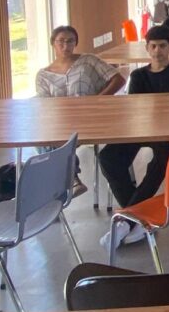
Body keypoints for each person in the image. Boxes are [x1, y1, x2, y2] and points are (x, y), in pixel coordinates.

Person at [97, 26, 169, 249]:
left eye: (163, 46)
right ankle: (138, 218)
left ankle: (126, 221)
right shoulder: (138, 75)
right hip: (141, 129)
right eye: (154, 46)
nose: (158, 51)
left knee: (161, 161)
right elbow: (136, 107)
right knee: (108, 157)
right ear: (147, 48)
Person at [36, 26, 126, 195]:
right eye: (61, 41)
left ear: (75, 43)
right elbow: (45, 105)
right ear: (53, 43)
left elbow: (118, 79)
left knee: (56, 142)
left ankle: (63, 186)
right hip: (62, 122)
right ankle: (71, 181)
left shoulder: (88, 61)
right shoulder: (43, 75)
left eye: (70, 41)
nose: (66, 45)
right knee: (43, 139)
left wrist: (97, 100)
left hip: (90, 118)